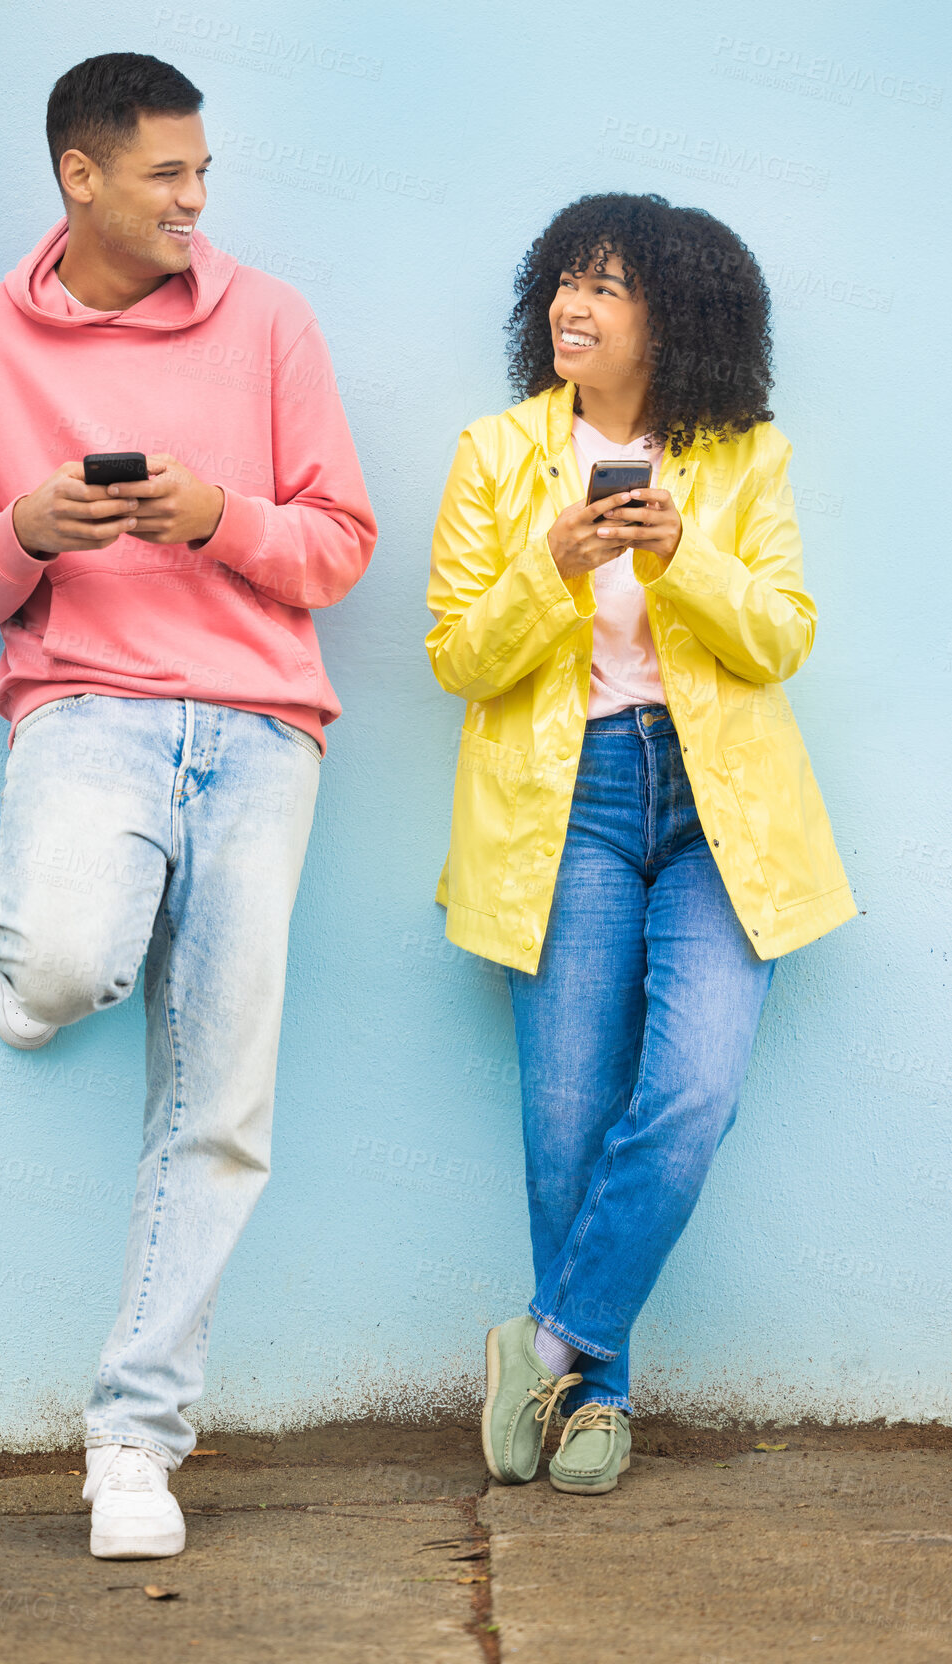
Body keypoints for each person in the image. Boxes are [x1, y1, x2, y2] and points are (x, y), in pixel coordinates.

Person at [0, 52, 375, 1557]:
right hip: (85, 709)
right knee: (60, 964)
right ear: (81, 176)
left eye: (202, 175)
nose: (193, 199)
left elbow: (338, 543)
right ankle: (50, 969)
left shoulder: (270, 320)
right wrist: (26, 529)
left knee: (219, 1099)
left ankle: (132, 1438)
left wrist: (217, 517)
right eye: (167, 174)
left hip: (258, 727)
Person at [425, 192, 855, 1495]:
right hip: (569, 807)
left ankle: (546, 1341)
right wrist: (549, 567)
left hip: (722, 813)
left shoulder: (739, 458)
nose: (573, 303)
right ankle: (594, 1409)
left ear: (674, 315)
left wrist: (684, 560)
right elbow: (455, 656)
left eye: (606, 286)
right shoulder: (495, 452)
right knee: (565, 1122)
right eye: (563, 279)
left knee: (687, 1096)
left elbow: (780, 633)